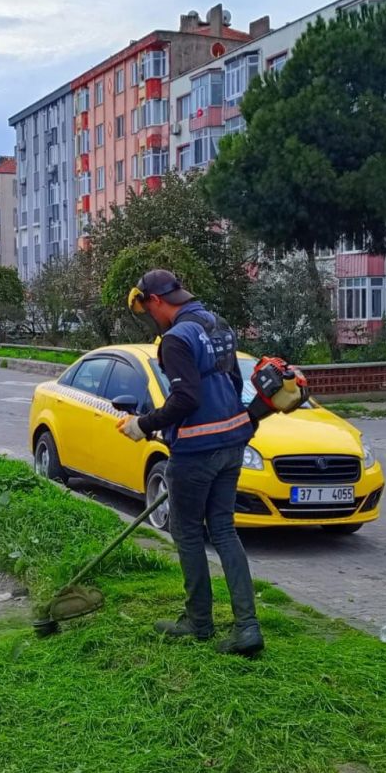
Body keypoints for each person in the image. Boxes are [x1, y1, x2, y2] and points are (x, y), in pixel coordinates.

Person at [117, 269, 264, 656]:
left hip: (197, 450)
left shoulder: (176, 339)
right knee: (224, 530)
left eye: (149, 310)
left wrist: (143, 425)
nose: (152, 318)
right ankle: (247, 627)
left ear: (156, 300)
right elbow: (234, 384)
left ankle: (199, 622)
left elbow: (186, 399)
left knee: (186, 532)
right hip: (232, 442)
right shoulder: (217, 324)